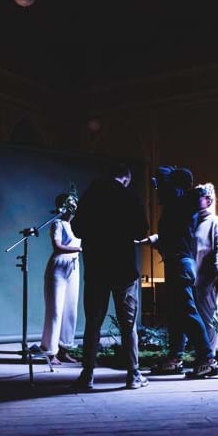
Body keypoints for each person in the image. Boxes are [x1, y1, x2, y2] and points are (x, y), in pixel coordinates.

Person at [70, 162, 150, 390]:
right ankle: (133, 375)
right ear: (126, 178)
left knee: (93, 324)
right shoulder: (130, 197)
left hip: (96, 269)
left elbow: (77, 229)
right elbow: (141, 230)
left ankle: (87, 374)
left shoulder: (91, 196)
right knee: (128, 325)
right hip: (124, 269)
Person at [139, 166, 218, 378]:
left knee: (187, 312)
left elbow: (194, 193)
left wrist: (184, 185)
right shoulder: (177, 205)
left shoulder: (180, 202)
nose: (157, 191)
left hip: (180, 264)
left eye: (161, 186)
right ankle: (175, 358)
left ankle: (207, 359)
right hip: (177, 263)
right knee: (177, 314)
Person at [38, 192, 82, 365]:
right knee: (55, 310)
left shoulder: (77, 227)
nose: (74, 207)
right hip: (58, 267)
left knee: (70, 310)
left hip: (73, 267)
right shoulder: (57, 224)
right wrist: (79, 249)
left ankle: (64, 349)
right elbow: (57, 246)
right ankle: (49, 351)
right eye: (70, 204)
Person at [193, 183, 218, 368]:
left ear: (208, 200)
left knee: (211, 316)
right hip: (195, 276)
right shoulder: (194, 222)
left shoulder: (216, 223)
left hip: (209, 277)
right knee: (202, 316)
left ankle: (213, 354)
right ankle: (208, 352)